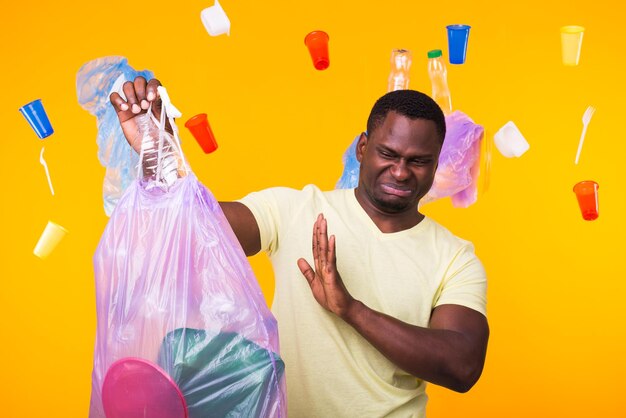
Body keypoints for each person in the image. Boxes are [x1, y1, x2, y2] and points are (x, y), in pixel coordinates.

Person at [110, 77, 489, 418]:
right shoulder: (295, 209)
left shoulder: (455, 258)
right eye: (389, 154)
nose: (402, 171)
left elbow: (461, 366)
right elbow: (195, 229)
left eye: (418, 161)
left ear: (435, 164)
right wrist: (160, 156)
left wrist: (351, 310)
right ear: (363, 147)